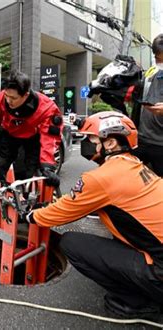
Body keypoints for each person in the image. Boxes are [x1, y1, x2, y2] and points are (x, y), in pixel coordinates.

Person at [25, 111, 163, 319]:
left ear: (109, 144)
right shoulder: (135, 165)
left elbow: (57, 214)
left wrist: (29, 216)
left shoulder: (102, 178)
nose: (87, 144)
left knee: (71, 243)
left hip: (160, 272)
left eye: (91, 139)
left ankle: (139, 303)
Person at [0, 70, 62, 229]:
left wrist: (48, 165)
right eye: (7, 96)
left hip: (32, 138)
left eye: (13, 98)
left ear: (26, 94)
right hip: (9, 135)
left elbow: (49, 137)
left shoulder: (46, 107)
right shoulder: (0, 99)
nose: (8, 101)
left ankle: (28, 210)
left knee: (30, 174)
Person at [131, 33, 163, 176]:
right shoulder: (151, 72)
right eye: (156, 56)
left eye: (160, 57)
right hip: (142, 139)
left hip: (161, 145)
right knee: (138, 181)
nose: (157, 60)